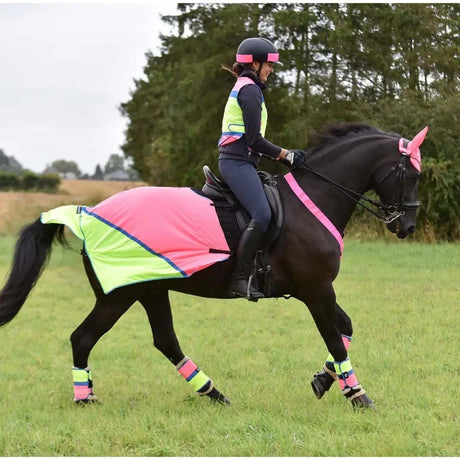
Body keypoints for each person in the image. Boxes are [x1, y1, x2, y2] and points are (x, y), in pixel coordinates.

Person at [218, 37, 306, 300]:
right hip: (236, 163)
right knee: (263, 214)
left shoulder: (248, 87)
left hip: (241, 161)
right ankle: (240, 278)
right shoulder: (250, 91)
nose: (271, 70)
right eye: (269, 65)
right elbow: (255, 141)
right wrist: (286, 155)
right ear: (255, 63)